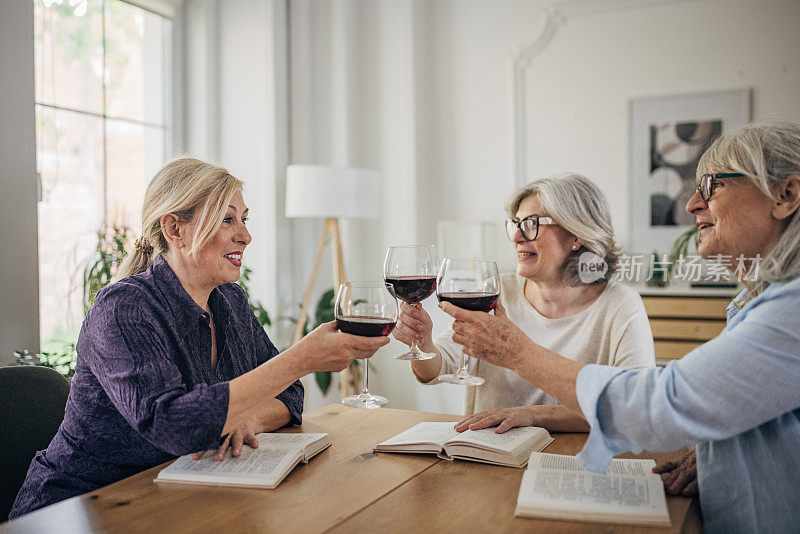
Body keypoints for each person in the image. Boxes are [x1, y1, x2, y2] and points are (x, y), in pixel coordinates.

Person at [441, 120, 800, 533]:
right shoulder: (760, 303)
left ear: (785, 195)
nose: (692, 204)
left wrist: (517, 353)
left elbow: (659, 404)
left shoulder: (790, 312)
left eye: (713, 184)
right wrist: (724, 450)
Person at [10, 158, 389, 518]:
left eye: (243, 219)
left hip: (175, 496)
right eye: (227, 220)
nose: (246, 235)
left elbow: (290, 397)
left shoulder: (229, 300)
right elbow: (173, 425)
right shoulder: (124, 308)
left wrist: (245, 419)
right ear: (175, 229)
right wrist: (300, 359)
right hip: (81, 507)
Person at [394, 174, 655, 429]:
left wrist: (532, 415)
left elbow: (636, 406)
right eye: (515, 223)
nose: (517, 236)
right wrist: (423, 342)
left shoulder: (620, 304)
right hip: (491, 454)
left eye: (531, 223)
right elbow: (437, 369)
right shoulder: (498, 290)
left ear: (576, 235)